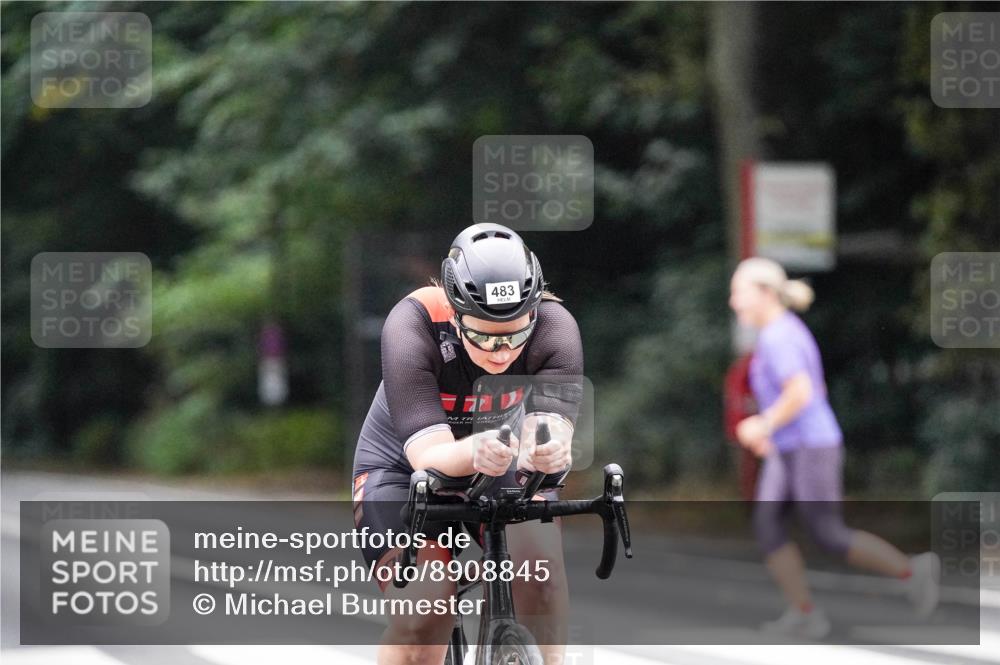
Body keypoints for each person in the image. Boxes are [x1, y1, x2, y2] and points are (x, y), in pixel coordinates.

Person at [352, 223, 583, 665]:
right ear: (456, 315)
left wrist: (549, 449)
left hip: (503, 463)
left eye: (515, 335)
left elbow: (550, 430)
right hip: (403, 469)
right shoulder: (413, 322)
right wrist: (477, 449)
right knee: (424, 614)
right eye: (483, 336)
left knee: (542, 578)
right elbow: (430, 459)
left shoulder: (554, 327)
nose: (501, 352)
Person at [729, 257, 940, 639]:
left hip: (811, 446)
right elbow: (814, 390)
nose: (734, 302)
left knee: (826, 533)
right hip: (789, 446)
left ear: (763, 293)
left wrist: (764, 423)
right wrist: (772, 434)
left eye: (738, 293)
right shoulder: (780, 333)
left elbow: (802, 391)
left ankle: (913, 571)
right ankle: (804, 612)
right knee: (768, 525)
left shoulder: (779, 337)